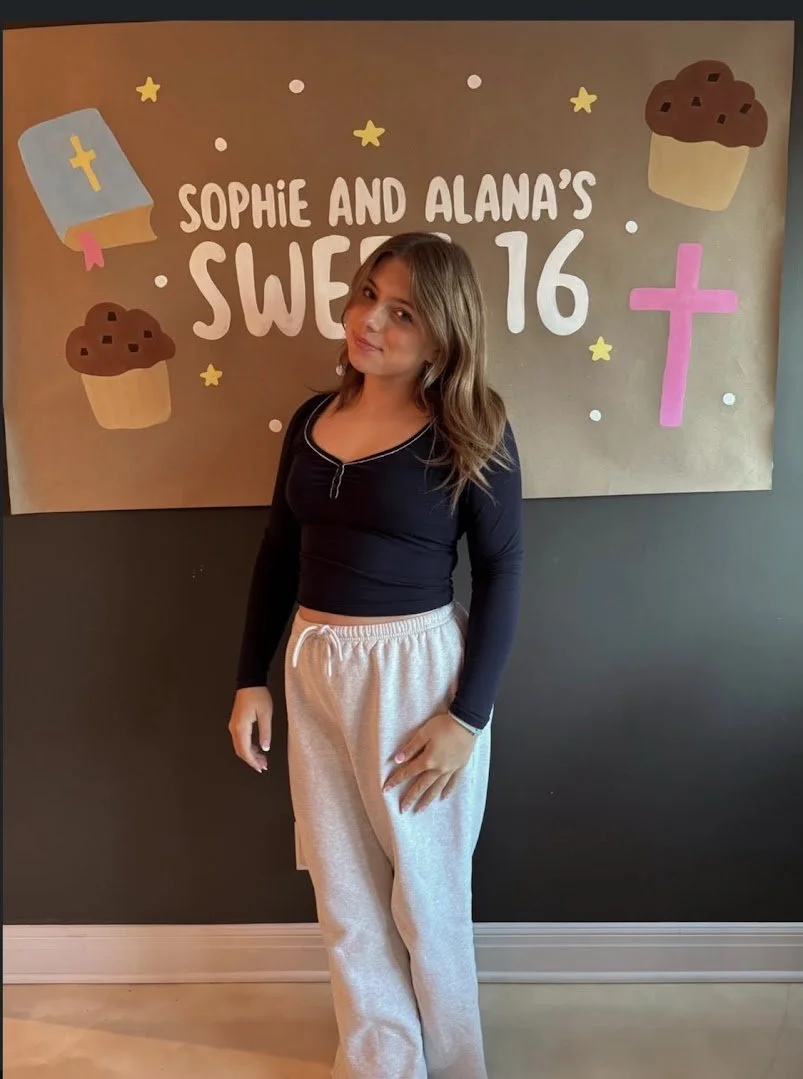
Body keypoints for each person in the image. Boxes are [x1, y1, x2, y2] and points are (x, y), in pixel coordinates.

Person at [228, 232, 523, 1079]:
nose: (372, 321)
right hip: (312, 662)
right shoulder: (312, 421)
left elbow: (502, 570)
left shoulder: (468, 426)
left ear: (440, 335)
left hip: (413, 673)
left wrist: (467, 717)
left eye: (402, 313)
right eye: (367, 296)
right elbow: (277, 551)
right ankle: (380, 1060)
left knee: (426, 896)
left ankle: (456, 1062)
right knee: (345, 889)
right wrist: (253, 675)